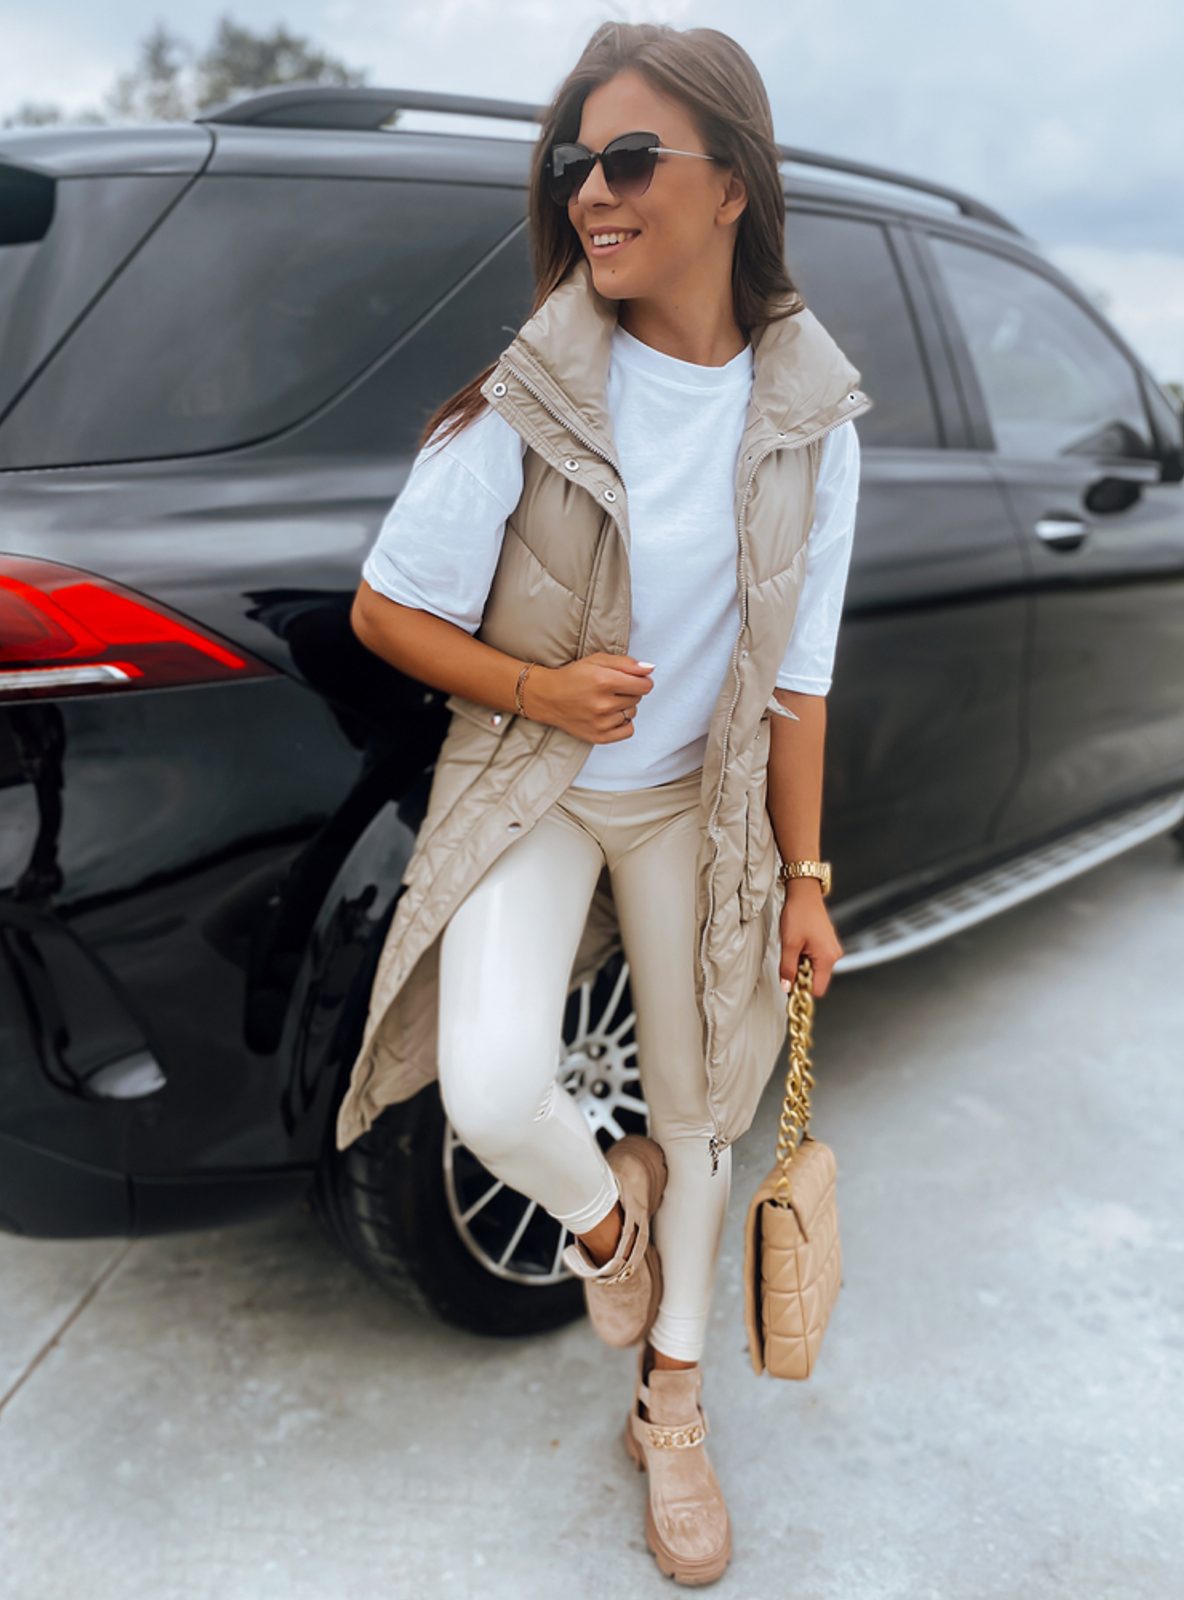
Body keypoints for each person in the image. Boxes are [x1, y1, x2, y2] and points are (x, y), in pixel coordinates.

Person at [344, 20, 871, 1587]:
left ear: (734, 185)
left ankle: (674, 1409)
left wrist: (806, 878)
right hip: (546, 786)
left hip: (701, 810)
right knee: (496, 1088)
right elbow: (385, 609)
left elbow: (800, 682)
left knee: (701, 1121)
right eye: (577, 162)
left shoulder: (814, 421)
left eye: (631, 158)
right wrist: (542, 690)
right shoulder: (535, 396)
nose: (590, 190)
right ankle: (605, 1224)